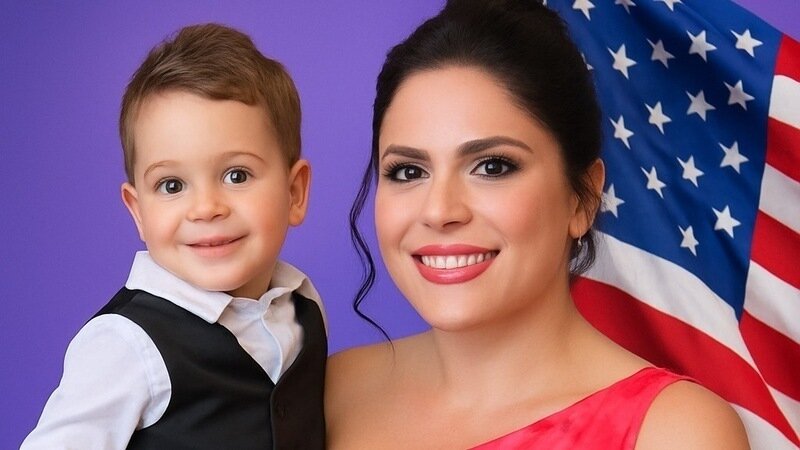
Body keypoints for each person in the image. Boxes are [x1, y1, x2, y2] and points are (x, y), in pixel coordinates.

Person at [325, 1, 749, 448]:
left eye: (492, 167)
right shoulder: (332, 391)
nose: (439, 210)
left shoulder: (674, 432)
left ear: (582, 198)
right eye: (408, 171)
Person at [22, 24, 326, 449]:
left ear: (294, 193)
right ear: (138, 212)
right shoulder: (126, 344)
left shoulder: (303, 306)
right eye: (172, 185)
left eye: (236, 175)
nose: (205, 208)